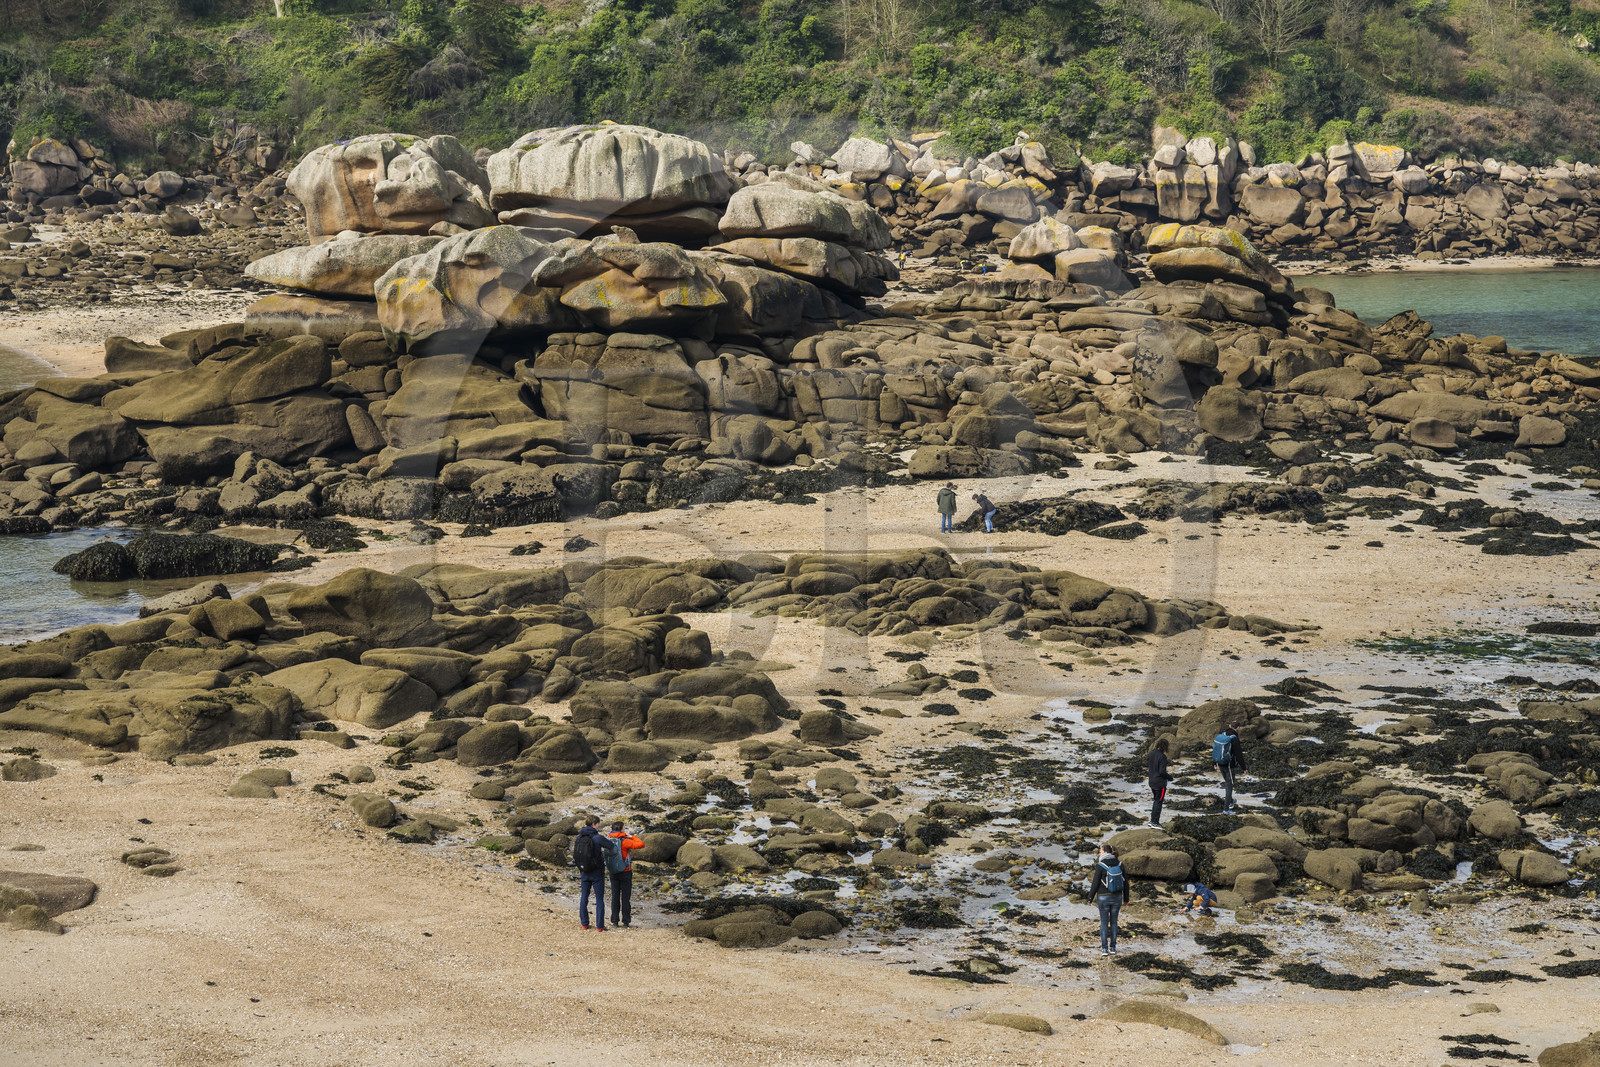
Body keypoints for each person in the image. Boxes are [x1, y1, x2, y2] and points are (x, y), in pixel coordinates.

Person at [572, 815, 619, 931]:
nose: (598, 826)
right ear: (594, 824)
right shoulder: (597, 838)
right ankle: (600, 926)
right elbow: (612, 846)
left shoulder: (579, 837)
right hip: (597, 872)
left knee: (584, 897)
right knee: (599, 899)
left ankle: (584, 923)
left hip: (584, 871)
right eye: (598, 824)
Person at [1088, 844, 1130, 956]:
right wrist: (1126, 898)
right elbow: (1126, 883)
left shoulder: (1100, 865)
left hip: (1103, 897)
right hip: (1117, 897)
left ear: (1105, 852)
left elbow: (1095, 883)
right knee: (1114, 923)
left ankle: (1104, 949)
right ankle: (1113, 948)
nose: (1099, 853)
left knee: (1104, 923)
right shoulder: (1119, 864)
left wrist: (1090, 898)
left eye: (1100, 851)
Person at [606, 821, 645, 929]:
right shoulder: (625, 841)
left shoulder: (609, 840)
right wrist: (632, 836)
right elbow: (641, 844)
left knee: (615, 897)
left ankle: (614, 921)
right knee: (625, 898)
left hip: (613, 871)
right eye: (624, 828)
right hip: (625, 871)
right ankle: (626, 921)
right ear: (622, 829)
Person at [1212, 725, 1247, 813]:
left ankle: (1230, 801)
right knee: (1229, 786)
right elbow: (1239, 755)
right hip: (1229, 766)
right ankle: (1226, 809)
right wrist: (1244, 768)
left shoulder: (1222, 735)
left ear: (1230, 726)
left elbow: (1215, 749)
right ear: (1238, 728)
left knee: (1227, 783)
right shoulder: (1234, 738)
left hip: (1220, 764)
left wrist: (1214, 764)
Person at [1147, 737, 1171, 828]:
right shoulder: (1162, 757)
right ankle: (1155, 822)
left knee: (1156, 800)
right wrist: (1169, 778)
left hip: (1151, 781)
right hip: (1160, 783)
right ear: (1165, 747)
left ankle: (1152, 821)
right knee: (1158, 801)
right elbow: (1162, 772)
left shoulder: (1151, 754)